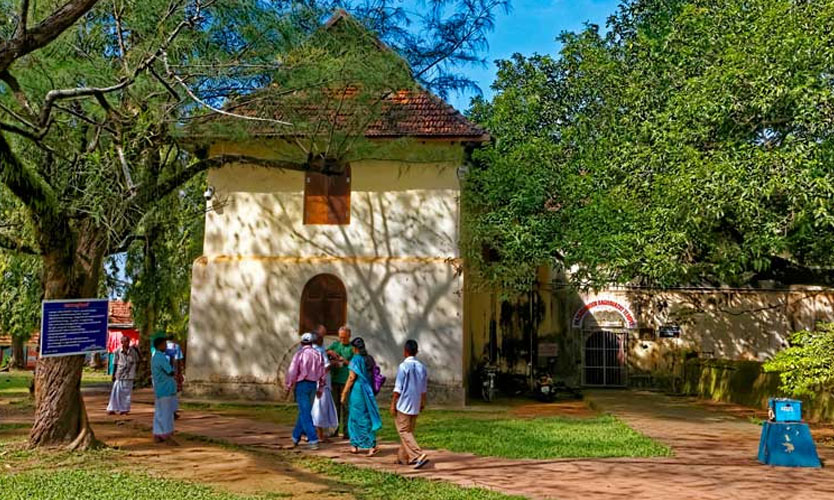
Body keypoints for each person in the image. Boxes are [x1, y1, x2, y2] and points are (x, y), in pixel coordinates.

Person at [391, 339, 429, 469]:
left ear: (405, 352)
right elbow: (423, 389)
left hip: (404, 404)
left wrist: (392, 404)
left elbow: (398, 389)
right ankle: (403, 457)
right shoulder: (422, 367)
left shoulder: (403, 366)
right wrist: (422, 402)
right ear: (416, 352)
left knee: (403, 431)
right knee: (409, 431)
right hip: (415, 403)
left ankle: (418, 454)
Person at [341, 337, 381, 456]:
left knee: (354, 417)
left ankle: (355, 445)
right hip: (368, 390)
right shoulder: (369, 359)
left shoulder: (355, 360)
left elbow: (352, 377)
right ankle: (370, 445)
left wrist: (344, 392)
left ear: (354, 348)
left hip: (358, 390)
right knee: (366, 416)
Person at [286, 332, 326, 450]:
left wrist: (288, 385)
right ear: (312, 342)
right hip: (313, 385)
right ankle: (295, 437)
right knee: (305, 412)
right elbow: (322, 373)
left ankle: (313, 440)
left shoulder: (300, 354)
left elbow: (292, 371)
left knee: (305, 413)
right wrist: (321, 388)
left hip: (302, 385)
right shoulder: (318, 355)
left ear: (302, 342)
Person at [311, 329, 338, 443]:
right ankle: (320, 435)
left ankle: (316, 433)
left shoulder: (310, 350)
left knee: (315, 408)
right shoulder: (320, 351)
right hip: (323, 384)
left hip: (313, 382)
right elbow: (325, 367)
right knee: (320, 410)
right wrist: (335, 363)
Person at [327, 325, 354, 438]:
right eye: (340, 337)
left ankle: (347, 431)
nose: (342, 340)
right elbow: (325, 351)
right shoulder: (335, 345)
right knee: (335, 406)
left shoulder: (352, 348)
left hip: (346, 381)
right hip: (335, 379)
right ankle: (334, 429)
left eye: (344, 337)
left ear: (349, 336)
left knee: (346, 407)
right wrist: (331, 353)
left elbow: (355, 365)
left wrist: (345, 361)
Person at [151, 336, 178, 445]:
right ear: (160, 345)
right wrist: (173, 362)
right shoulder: (161, 357)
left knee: (159, 412)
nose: (166, 346)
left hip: (160, 389)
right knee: (167, 413)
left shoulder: (155, 356)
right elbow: (170, 371)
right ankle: (166, 434)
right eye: (164, 344)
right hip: (166, 388)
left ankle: (157, 433)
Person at [107, 334, 139, 415]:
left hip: (129, 375)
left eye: (127, 341)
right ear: (121, 342)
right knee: (116, 392)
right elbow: (115, 363)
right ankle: (112, 408)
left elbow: (138, 361)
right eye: (124, 342)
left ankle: (124, 409)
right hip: (119, 374)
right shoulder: (117, 351)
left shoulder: (133, 351)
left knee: (126, 393)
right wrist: (113, 374)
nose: (126, 343)